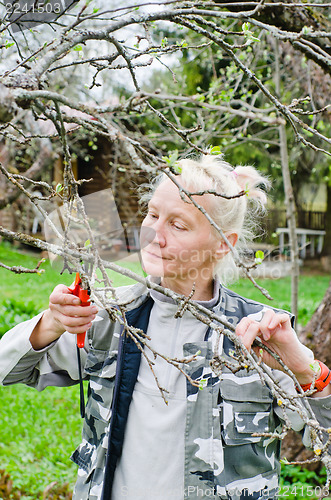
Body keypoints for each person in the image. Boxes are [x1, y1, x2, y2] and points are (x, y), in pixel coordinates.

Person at [0, 154, 330, 500]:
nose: (155, 234)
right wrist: (51, 323)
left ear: (223, 243)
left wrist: (305, 370)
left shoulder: (258, 336)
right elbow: (9, 370)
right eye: (153, 215)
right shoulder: (111, 316)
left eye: (179, 224)